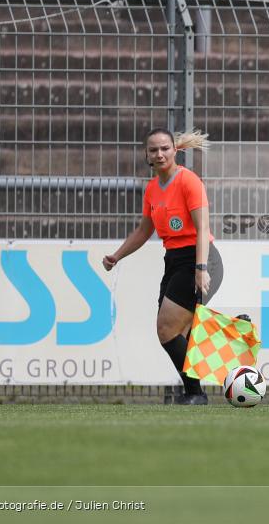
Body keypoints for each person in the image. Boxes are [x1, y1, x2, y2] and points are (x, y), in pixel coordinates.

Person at [102, 128, 223, 405]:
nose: (159, 154)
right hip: (174, 261)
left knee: (166, 329)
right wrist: (117, 256)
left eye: (165, 148)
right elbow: (144, 231)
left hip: (200, 258)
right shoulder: (152, 189)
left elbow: (203, 228)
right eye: (153, 150)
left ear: (175, 150)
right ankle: (199, 384)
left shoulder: (189, 181)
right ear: (147, 155)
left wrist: (201, 268)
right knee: (176, 332)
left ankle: (196, 394)